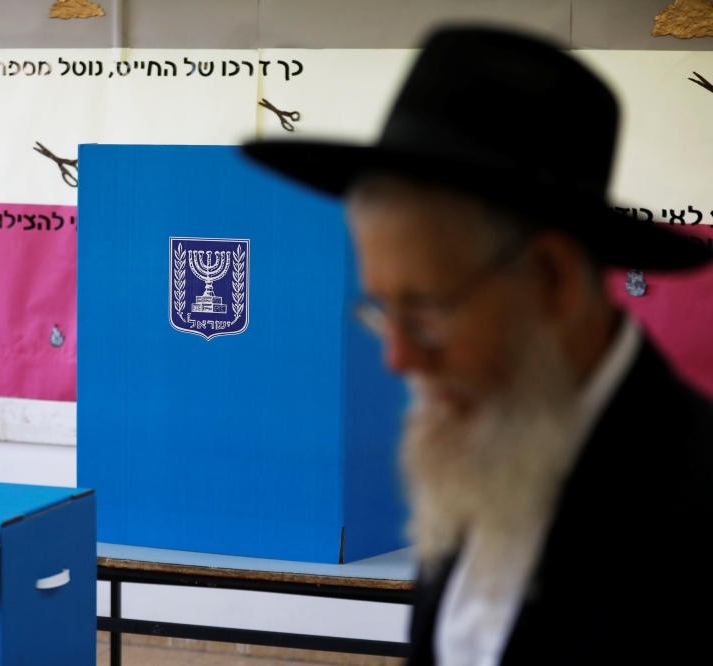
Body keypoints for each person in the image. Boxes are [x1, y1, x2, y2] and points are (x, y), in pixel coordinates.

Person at [244, 27, 713, 665]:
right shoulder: (493, 446)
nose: (398, 359)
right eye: (384, 310)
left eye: (427, 311)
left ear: (550, 280)